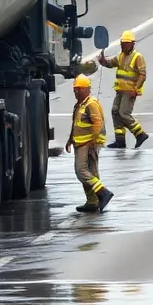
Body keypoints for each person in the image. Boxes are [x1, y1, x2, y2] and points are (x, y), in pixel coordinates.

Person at [65, 74, 114, 213]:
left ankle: (103, 193)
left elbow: (98, 123)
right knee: (91, 173)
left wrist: (94, 141)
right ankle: (93, 201)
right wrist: (70, 139)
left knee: (81, 171)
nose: (77, 92)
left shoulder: (91, 104)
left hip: (88, 143)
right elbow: (76, 124)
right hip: (80, 142)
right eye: (75, 89)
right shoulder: (80, 105)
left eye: (79, 89)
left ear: (87, 89)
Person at [97, 30, 149, 149]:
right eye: (122, 43)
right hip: (120, 90)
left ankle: (140, 134)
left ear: (132, 44)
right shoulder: (121, 56)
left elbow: (142, 75)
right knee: (115, 112)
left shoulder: (137, 57)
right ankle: (120, 140)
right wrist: (103, 61)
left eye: (125, 43)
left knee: (123, 113)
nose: (123, 45)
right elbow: (111, 63)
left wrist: (136, 88)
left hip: (130, 91)